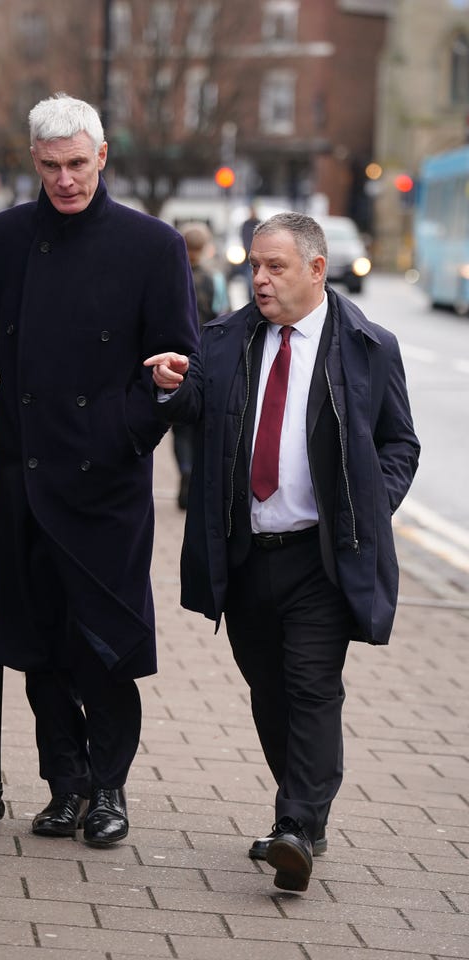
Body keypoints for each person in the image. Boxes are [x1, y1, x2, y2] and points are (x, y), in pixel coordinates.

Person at [0, 93, 199, 847]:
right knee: (35, 640)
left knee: (104, 644)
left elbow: (181, 362)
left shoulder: (152, 246)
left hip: (106, 483)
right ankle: (66, 786)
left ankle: (111, 788)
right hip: (24, 472)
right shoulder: (0, 238)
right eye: (52, 167)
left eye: (79, 165)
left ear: (102, 158)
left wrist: (132, 418)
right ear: (34, 161)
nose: (66, 180)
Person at [144, 212, 419, 892]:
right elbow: (193, 409)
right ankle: (305, 817)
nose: (259, 280)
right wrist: (171, 386)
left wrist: (368, 507)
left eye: (275, 267)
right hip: (245, 553)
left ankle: (295, 825)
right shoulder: (227, 337)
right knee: (269, 691)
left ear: (317, 270)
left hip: (321, 559)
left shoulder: (367, 345)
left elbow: (399, 444)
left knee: (312, 687)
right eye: (254, 266)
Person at [171, 221, 223, 509]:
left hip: (178, 359)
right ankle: (197, 477)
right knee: (200, 424)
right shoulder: (213, 279)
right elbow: (223, 315)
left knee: (180, 427)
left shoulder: (173, 276)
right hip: (207, 357)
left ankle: (185, 469)